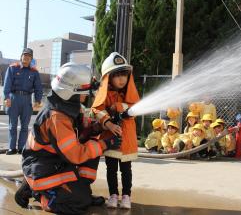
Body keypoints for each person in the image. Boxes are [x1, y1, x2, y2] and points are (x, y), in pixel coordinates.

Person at [15, 63, 113, 214]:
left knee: (92, 142)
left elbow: (81, 129)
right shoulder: (57, 118)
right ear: (71, 92)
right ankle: (43, 195)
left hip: (55, 162)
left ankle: (82, 191)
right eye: (85, 92)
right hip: (42, 168)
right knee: (80, 202)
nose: (87, 95)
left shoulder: (67, 106)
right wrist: (104, 145)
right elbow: (75, 154)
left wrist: (97, 128)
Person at [92, 52, 140, 209]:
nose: (122, 79)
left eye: (124, 75)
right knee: (111, 169)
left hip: (127, 138)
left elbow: (135, 107)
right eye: (117, 75)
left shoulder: (130, 93)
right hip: (110, 137)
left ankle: (127, 196)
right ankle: (113, 195)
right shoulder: (104, 93)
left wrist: (119, 107)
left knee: (126, 169)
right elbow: (96, 109)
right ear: (108, 78)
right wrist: (109, 125)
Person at [3, 48, 43, 155]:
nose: (26, 57)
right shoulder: (13, 68)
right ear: (21, 56)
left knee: (25, 126)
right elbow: (7, 83)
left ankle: (21, 148)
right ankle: (12, 148)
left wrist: (37, 100)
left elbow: (38, 87)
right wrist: (6, 97)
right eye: (24, 55)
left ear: (31, 59)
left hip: (27, 99)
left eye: (28, 56)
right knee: (13, 125)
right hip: (13, 98)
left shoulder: (34, 72)